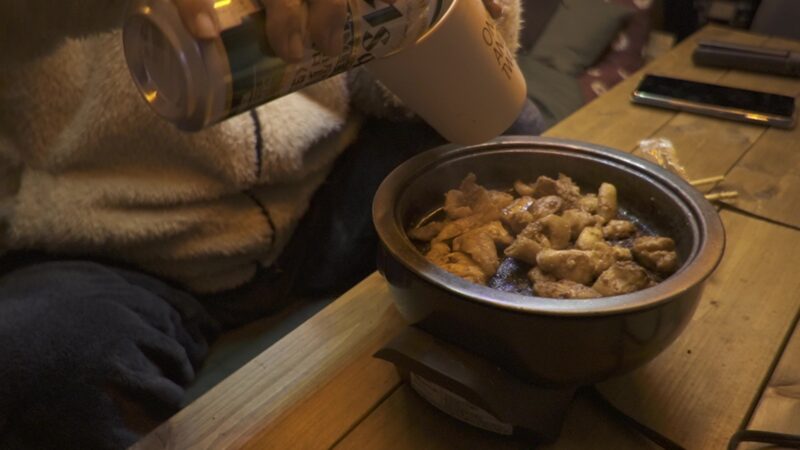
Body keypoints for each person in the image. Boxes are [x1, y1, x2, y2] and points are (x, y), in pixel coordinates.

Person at [0, 0, 541, 448]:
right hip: (116, 246)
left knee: (511, 136)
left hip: (319, 193)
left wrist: (447, 17)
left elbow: (375, 76)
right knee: (41, 362)